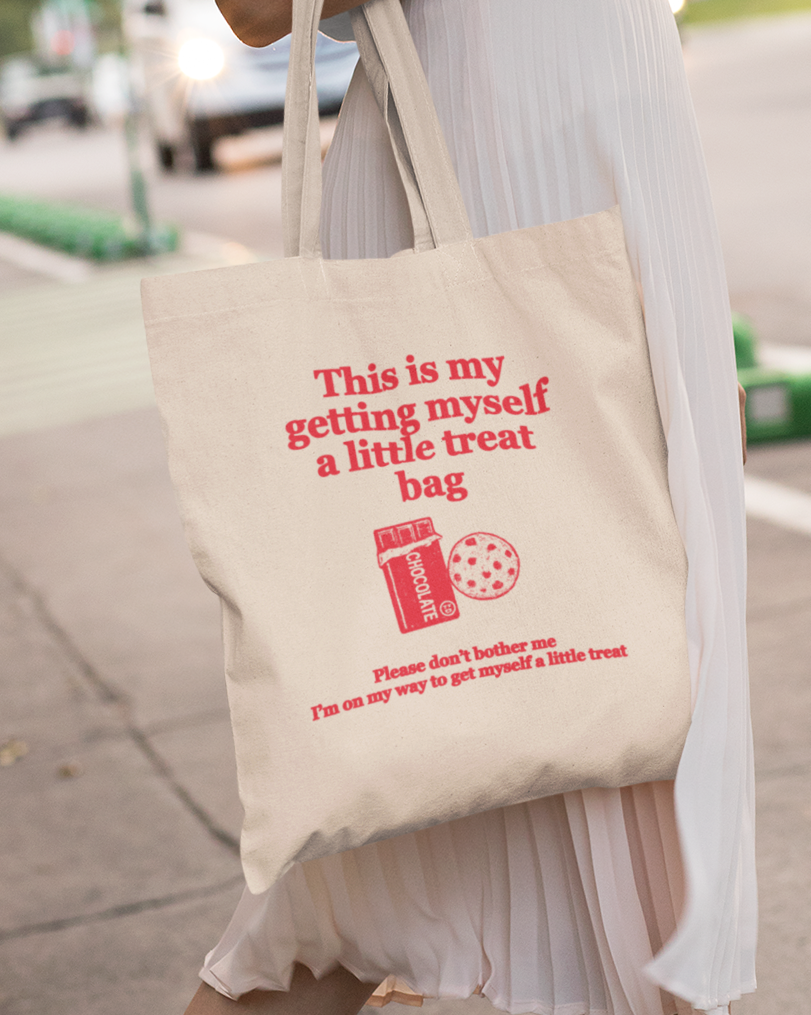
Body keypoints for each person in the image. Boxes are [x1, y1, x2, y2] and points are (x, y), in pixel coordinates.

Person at [183, 1, 755, 1013]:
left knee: (633, 681)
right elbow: (258, 13)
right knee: (545, 697)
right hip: (482, 160)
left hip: (614, 137)